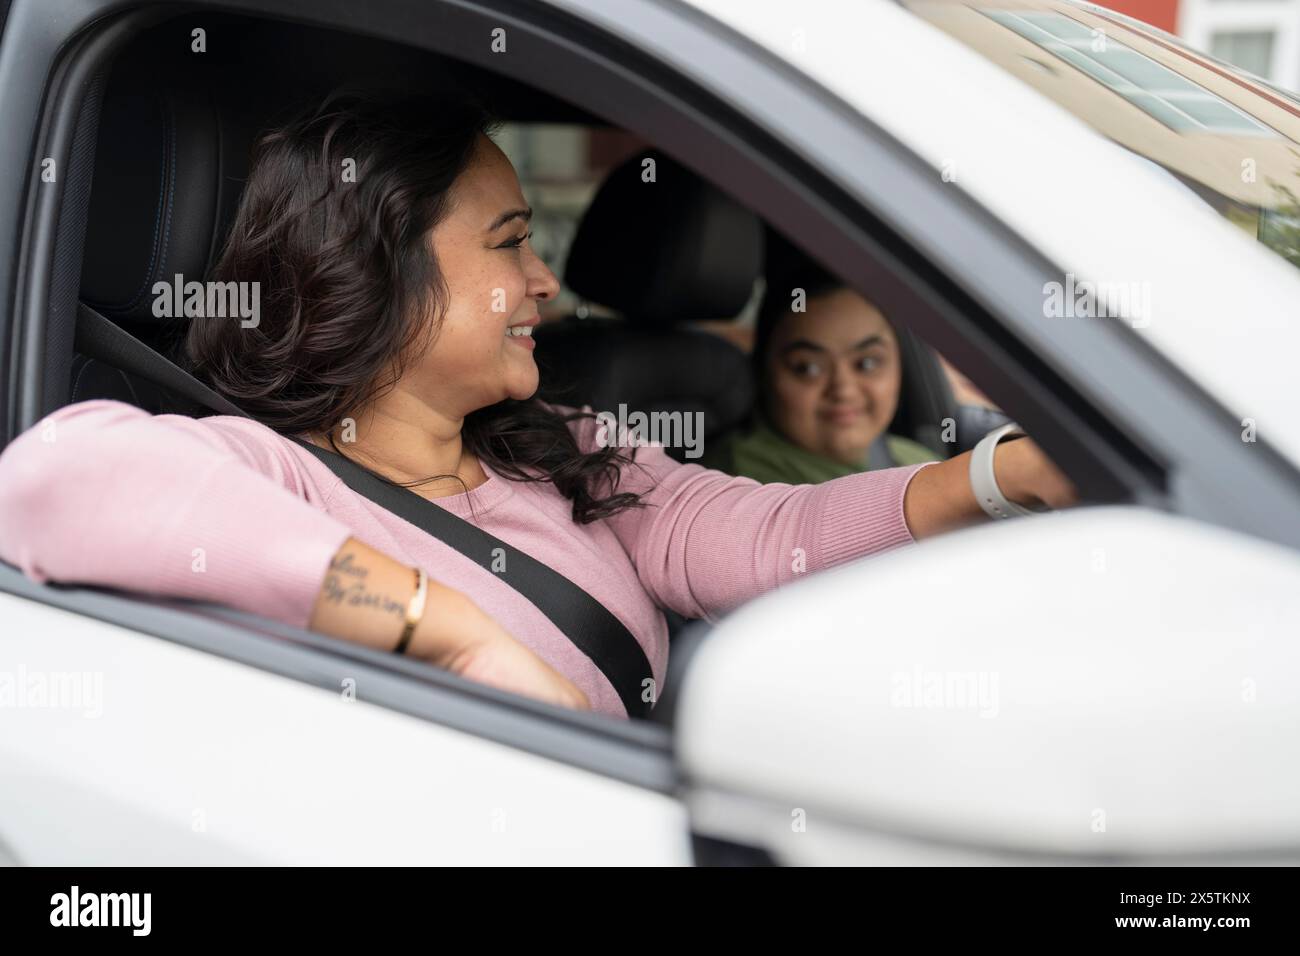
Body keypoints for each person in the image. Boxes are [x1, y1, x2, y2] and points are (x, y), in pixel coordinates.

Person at [0, 92, 1076, 719]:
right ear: (373, 270)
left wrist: (1000, 474)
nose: (547, 282)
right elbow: (56, 478)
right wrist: (449, 632)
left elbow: (762, 529)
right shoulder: (280, 474)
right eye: (511, 243)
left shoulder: (556, 449)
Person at [704, 261, 940, 484]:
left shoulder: (913, 458)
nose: (844, 390)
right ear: (763, 372)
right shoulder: (745, 490)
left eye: (867, 364)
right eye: (808, 369)